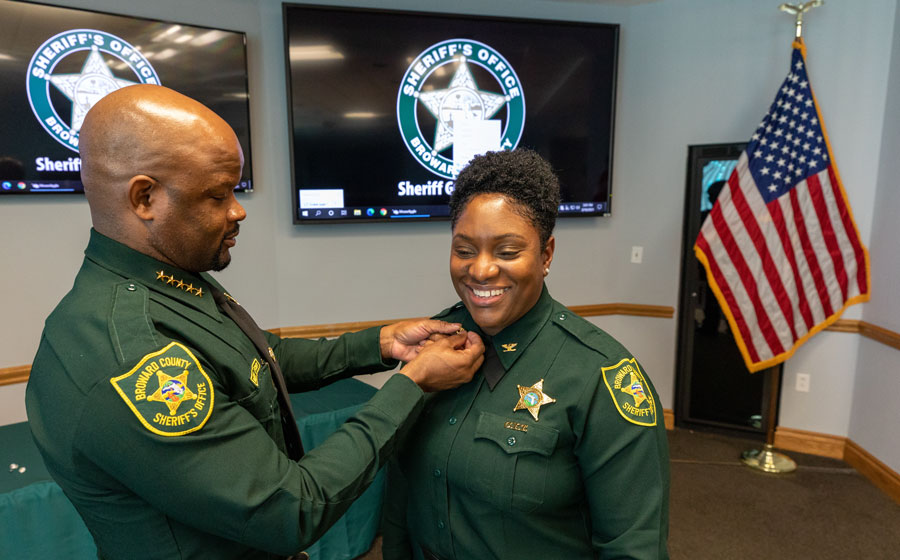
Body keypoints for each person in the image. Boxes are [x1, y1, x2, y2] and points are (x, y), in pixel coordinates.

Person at [24, 84, 484, 560]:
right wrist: (412, 385)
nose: (238, 210)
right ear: (145, 198)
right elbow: (288, 509)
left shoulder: (169, 281)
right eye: (218, 194)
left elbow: (254, 358)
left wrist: (383, 344)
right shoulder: (129, 351)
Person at [382, 149, 670, 559]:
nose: (480, 270)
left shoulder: (601, 378)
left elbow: (633, 548)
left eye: (507, 251)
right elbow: (401, 500)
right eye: (464, 250)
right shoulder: (433, 346)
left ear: (546, 255)